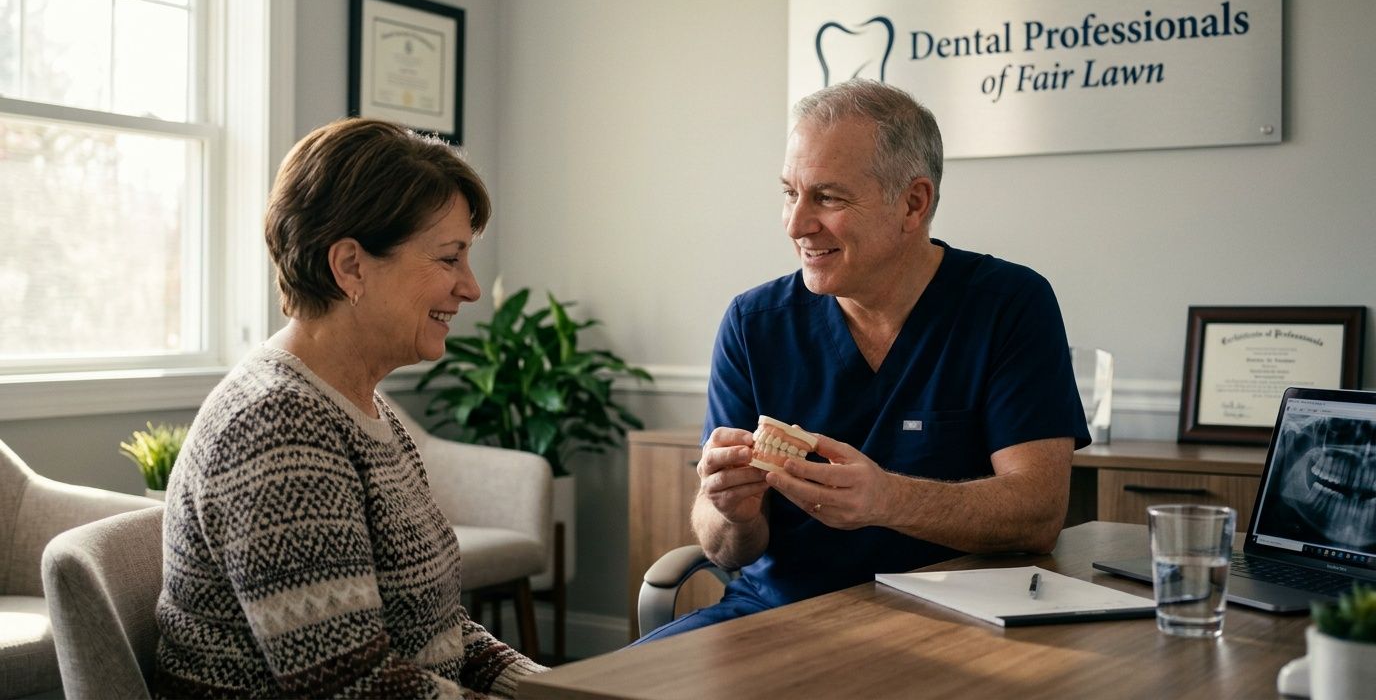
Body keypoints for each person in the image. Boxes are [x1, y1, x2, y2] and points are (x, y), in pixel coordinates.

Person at [636, 79, 1091, 641]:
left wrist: (887, 499)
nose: (796, 224)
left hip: (953, 622)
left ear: (913, 203)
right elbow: (727, 548)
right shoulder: (755, 324)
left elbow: (1038, 513)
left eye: (827, 198)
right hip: (777, 614)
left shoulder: (1009, 306)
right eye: (789, 192)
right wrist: (732, 511)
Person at [153, 118, 545, 698]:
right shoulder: (276, 427)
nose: (471, 288)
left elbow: (434, 627)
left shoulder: (359, 408)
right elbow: (349, 685)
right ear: (351, 267)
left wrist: (555, 689)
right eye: (448, 259)